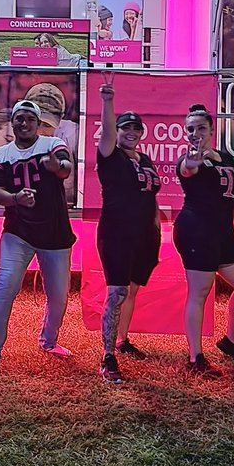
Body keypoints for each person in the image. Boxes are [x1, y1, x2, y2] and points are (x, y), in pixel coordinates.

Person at [0, 100, 76, 377]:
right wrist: (14, 199)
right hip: (18, 231)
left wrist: (54, 166)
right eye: (19, 119)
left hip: (55, 232)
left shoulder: (51, 144)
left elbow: (65, 168)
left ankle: (49, 340)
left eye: (28, 119)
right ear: (14, 122)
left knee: (58, 296)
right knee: (4, 289)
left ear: (37, 122)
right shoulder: (2, 153)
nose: (23, 123)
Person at [173, 102, 234, 374]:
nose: (195, 133)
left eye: (200, 128)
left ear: (211, 129)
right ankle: (195, 357)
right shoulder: (188, 160)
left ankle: (232, 342)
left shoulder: (227, 158)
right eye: (190, 129)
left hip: (223, 234)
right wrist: (193, 161)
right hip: (195, 231)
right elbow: (187, 168)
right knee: (199, 293)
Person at [95, 82, 162, 383]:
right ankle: (107, 357)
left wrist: (157, 226)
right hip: (117, 234)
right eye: (125, 128)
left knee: (132, 289)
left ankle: (122, 341)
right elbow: (107, 135)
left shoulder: (143, 159)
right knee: (117, 292)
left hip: (145, 234)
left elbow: (151, 195)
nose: (131, 133)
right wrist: (109, 102)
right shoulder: (111, 155)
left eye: (136, 129)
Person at [24, 81, 78, 204]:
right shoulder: (9, 133)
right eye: (36, 122)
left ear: (61, 119)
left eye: (47, 125)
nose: (40, 130)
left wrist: (60, 167)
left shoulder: (73, 134)